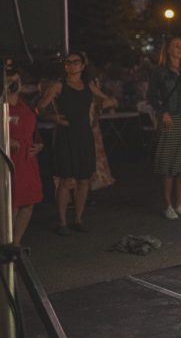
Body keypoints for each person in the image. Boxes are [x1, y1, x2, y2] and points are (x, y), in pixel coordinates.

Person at [37, 51, 117, 234]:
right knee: (65, 180)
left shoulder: (88, 86)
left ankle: (79, 219)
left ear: (82, 66)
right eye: (68, 62)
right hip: (65, 136)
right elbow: (39, 108)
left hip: (84, 136)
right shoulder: (58, 85)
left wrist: (99, 108)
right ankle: (62, 222)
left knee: (83, 179)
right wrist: (53, 117)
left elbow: (109, 100)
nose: (71, 65)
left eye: (75, 62)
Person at [148, 37, 181, 220]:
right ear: (168, 50)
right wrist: (162, 111)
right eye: (176, 46)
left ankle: (179, 203)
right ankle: (168, 205)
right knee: (168, 164)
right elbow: (152, 96)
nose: (180, 48)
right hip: (170, 119)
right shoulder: (159, 72)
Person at [6, 66, 44, 245]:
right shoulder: (1, 105)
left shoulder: (26, 104)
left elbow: (35, 129)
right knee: (10, 206)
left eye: (16, 81)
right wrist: (5, 141)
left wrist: (39, 144)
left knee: (28, 204)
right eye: (8, 81)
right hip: (8, 162)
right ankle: (5, 245)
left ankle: (16, 244)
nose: (13, 84)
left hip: (27, 160)